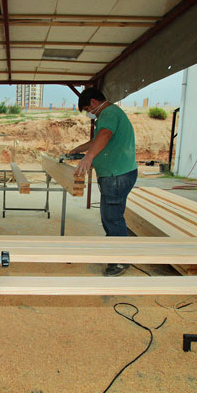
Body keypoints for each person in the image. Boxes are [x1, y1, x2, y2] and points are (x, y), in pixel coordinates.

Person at [69, 87, 138, 276]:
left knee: (113, 218)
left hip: (117, 176)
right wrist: (78, 149)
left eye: (87, 110)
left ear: (92, 102)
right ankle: (114, 252)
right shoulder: (110, 114)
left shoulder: (108, 113)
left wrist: (88, 158)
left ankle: (120, 261)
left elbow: (105, 135)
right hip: (116, 174)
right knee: (110, 216)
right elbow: (99, 139)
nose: (89, 114)